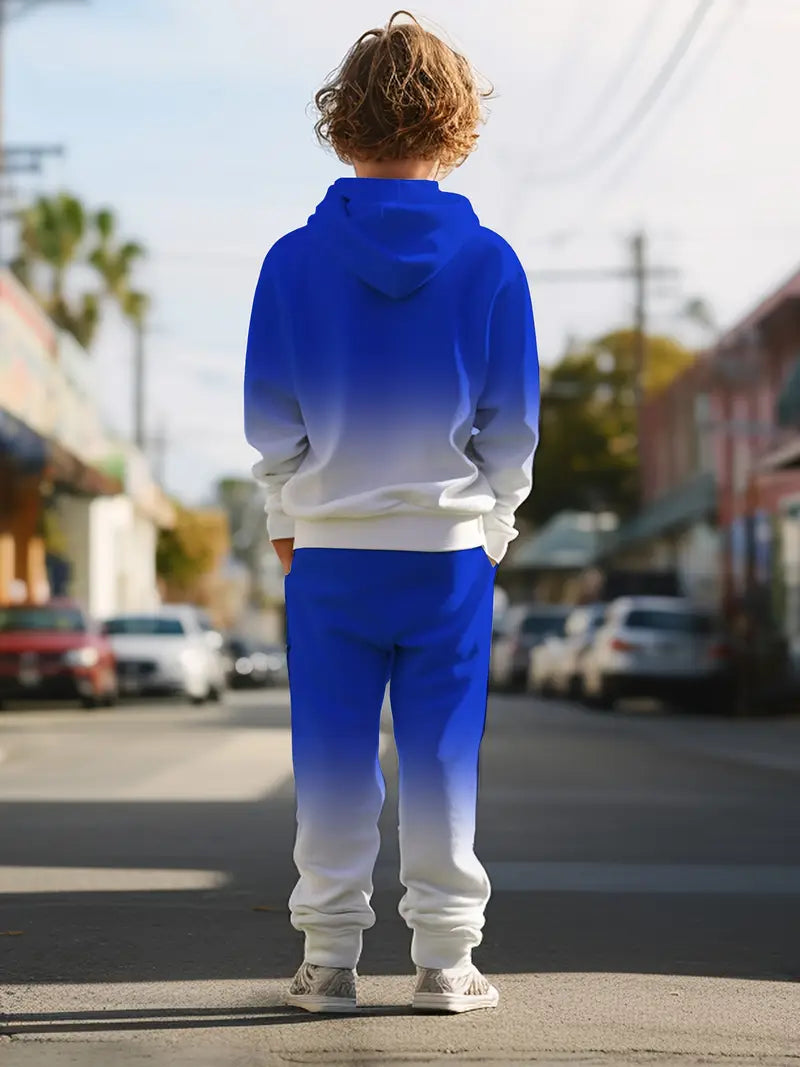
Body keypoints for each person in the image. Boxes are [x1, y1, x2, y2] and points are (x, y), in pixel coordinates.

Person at [244, 10, 539, 1014]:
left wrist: (287, 517)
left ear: (339, 125)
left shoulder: (290, 259)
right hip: (448, 551)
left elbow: (269, 416)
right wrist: (490, 527)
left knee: (328, 750)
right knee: (442, 754)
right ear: (456, 127)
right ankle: (444, 962)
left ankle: (326, 960)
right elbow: (510, 427)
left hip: (327, 548)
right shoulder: (490, 262)